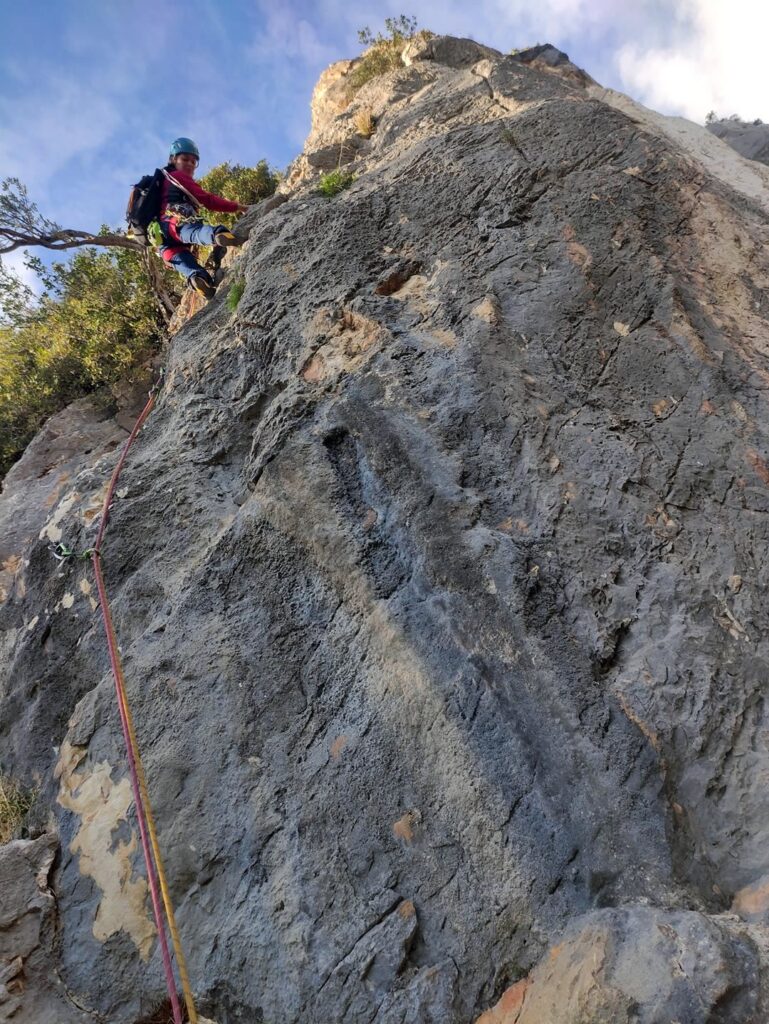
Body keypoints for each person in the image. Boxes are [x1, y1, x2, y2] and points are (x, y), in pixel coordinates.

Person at [158, 137, 249, 299]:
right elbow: (207, 200)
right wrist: (238, 207)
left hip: (160, 237)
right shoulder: (177, 176)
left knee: (182, 261)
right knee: (195, 232)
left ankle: (198, 279)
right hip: (177, 221)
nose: (190, 164)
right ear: (173, 159)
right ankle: (218, 235)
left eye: (194, 162)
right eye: (185, 159)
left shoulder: (158, 185)